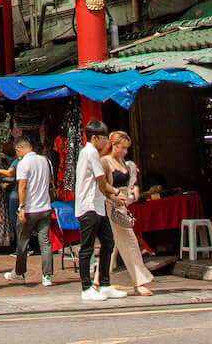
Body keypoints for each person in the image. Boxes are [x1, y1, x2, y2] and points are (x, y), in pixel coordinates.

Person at [75, 119, 125, 302]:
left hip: (98, 204)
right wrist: (115, 192)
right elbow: (101, 180)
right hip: (88, 206)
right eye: (104, 138)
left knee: (108, 243)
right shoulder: (90, 153)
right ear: (95, 138)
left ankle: (104, 284)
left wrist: (110, 196)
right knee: (86, 248)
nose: (107, 142)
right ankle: (86, 287)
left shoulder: (90, 152)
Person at [104, 132, 153, 296]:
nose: (125, 151)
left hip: (124, 204)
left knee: (113, 246)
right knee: (130, 242)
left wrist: (134, 191)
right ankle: (139, 281)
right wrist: (113, 197)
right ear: (114, 145)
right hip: (112, 204)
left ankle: (98, 279)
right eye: (122, 148)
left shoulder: (124, 162)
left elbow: (132, 182)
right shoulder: (105, 162)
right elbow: (101, 186)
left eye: (127, 148)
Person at [2, 135, 53, 287]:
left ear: (18, 149)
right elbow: (50, 182)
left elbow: (22, 186)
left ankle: (19, 273)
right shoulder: (45, 160)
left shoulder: (23, 163)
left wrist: (22, 206)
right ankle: (47, 276)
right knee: (45, 242)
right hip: (45, 207)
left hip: (30, 209)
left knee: (22, 242)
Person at [0, 146, 18, 249]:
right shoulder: (7, 163)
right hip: (7, 194)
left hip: (13, 195)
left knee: (14, 220)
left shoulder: (16, 163)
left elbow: (9, 173)